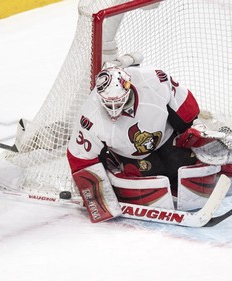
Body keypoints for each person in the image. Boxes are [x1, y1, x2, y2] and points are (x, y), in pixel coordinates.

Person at [67, 65, 206, 223]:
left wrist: (190, 129)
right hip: (131, 157)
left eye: (118, 102)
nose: (114, 109)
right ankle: (117, 165)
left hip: (167, 139)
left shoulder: (152, 80)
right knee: (150, 182)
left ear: (128, 86)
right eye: (108, 103)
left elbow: (184, 105)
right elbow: (81, 157)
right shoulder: (89, 115)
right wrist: (97, 198)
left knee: (185, 165)